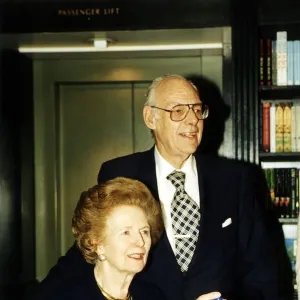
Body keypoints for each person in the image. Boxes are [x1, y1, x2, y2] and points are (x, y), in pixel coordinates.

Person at [35, 74, 282, 300]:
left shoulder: (234, 179)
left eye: (197, 110)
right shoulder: (121, 173)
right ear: (150, 117)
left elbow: (263, 271)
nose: (193, 120)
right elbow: (93, 244)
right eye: (178, 111)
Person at [34, 177, 166, 300]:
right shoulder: (65, 295)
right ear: (96, 243)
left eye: (144, 232)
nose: (140, 241)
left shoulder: (152, 295)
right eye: (126, 232)